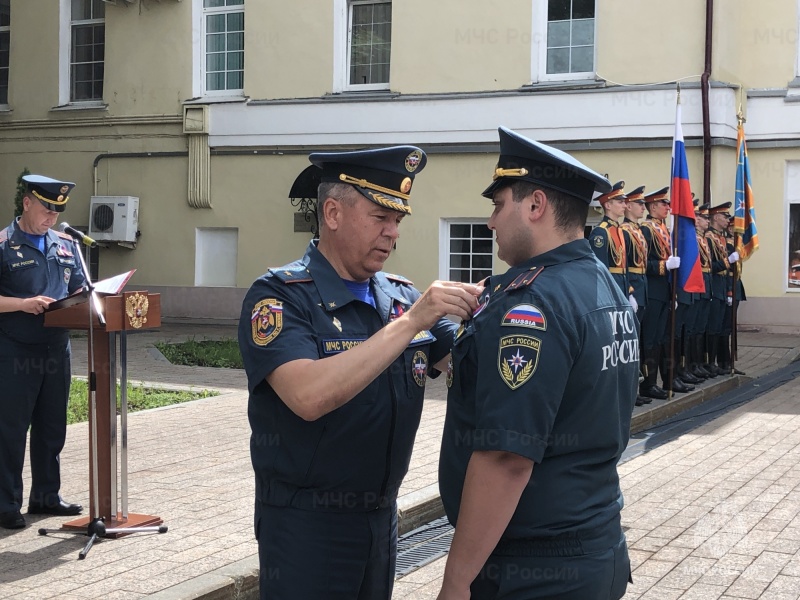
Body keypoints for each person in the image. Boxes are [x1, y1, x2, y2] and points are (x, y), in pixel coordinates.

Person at [238, 146, 481, 599]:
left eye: (399, 222)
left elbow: (471, 366)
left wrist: (508, 307)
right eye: (379, 218)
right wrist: (410, 324)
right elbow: (308, 396)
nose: (393, 234)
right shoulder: (279, 297)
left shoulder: (401, 295)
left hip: (381, 517)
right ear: (332, 212)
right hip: (306, 527)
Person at [438, 127, 636, 600]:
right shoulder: (598, 283)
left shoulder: (533, 305)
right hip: (593, 547)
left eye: (498, 205)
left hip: (536, 571)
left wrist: (456, 580)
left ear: (535, 206)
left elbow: (506, 458)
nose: (490, 222)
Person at [0, 175, 86, 530]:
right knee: (10, 428)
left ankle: (46, 496)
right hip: (15, 349)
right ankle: (6, 503)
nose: (52, 217)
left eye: (58, 211)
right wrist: (23, 303)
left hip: (56, 348)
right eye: (47, 209)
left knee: (52, 426)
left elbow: (81, 287)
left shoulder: (66, 244)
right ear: (27, 203)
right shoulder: (4, 245)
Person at [639, 187, 692, 398]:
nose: (668, 208)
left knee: (661, 339)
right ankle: (647, 383)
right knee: (650, 340)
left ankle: (660, 381)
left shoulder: (664, 230)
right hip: (652, 291)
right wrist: (664, 265)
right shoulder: (646, 230)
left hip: (665, 291)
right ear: (652, 207)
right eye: (664, 204)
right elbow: (642, 264)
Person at [705, 202, 734, 376]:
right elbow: (711, 266)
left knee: (719, 327)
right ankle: (708, 362)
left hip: (722, 285)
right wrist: (727, 261)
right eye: (724, 216)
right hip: (714, 284)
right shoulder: (709, 238)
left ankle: (714, 362)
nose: (727, 220)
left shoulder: (721, 238)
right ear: (716, 217)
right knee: (712, 327)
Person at [589, 181, 630, 298]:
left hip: (622, 289)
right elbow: (601, 268)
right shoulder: (601, 232)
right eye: (620, 202)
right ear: (608, 205)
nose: (625, 205)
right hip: (611, 291)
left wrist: (628, 292)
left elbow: (624, 267)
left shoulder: (619, 230)